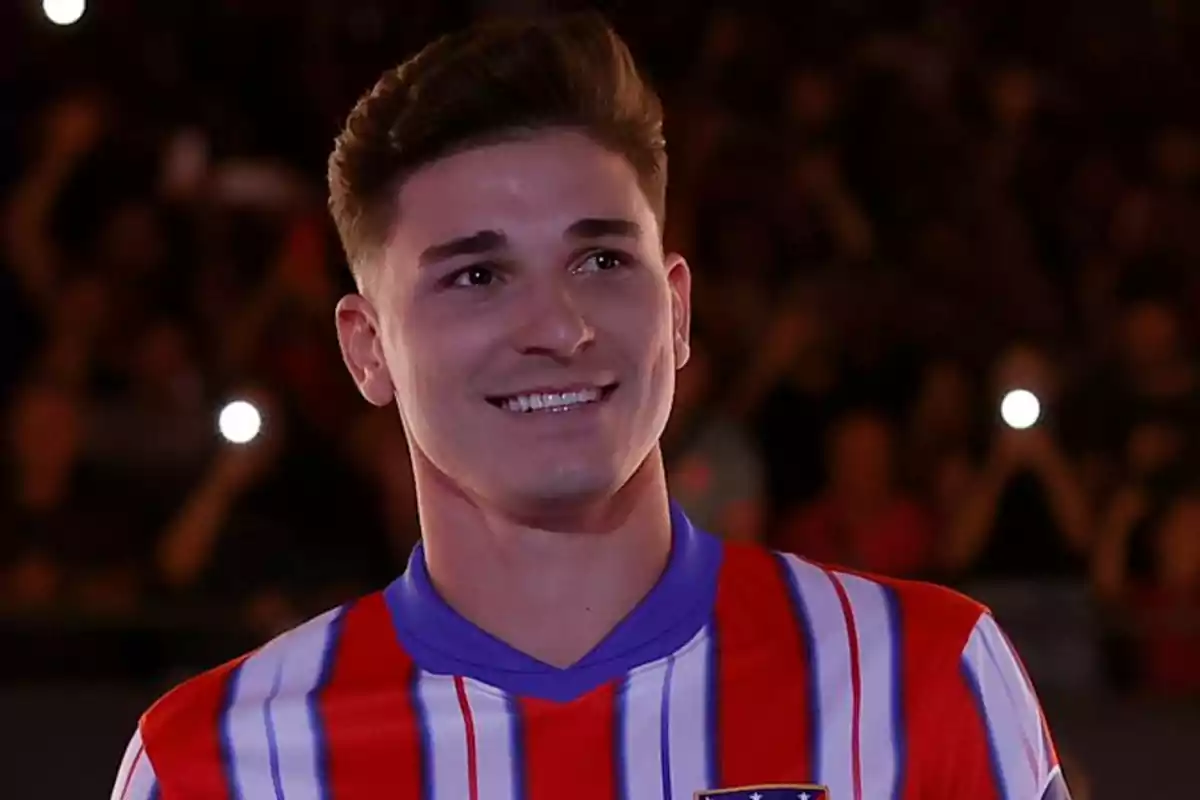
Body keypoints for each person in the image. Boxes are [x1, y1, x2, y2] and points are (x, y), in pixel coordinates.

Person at [111, 13, 1070, 800]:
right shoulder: (218, 765)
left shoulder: (922, 679)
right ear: (368, 350)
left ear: (679, 310)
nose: (557, 325)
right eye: (478, 274)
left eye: (602, 260)